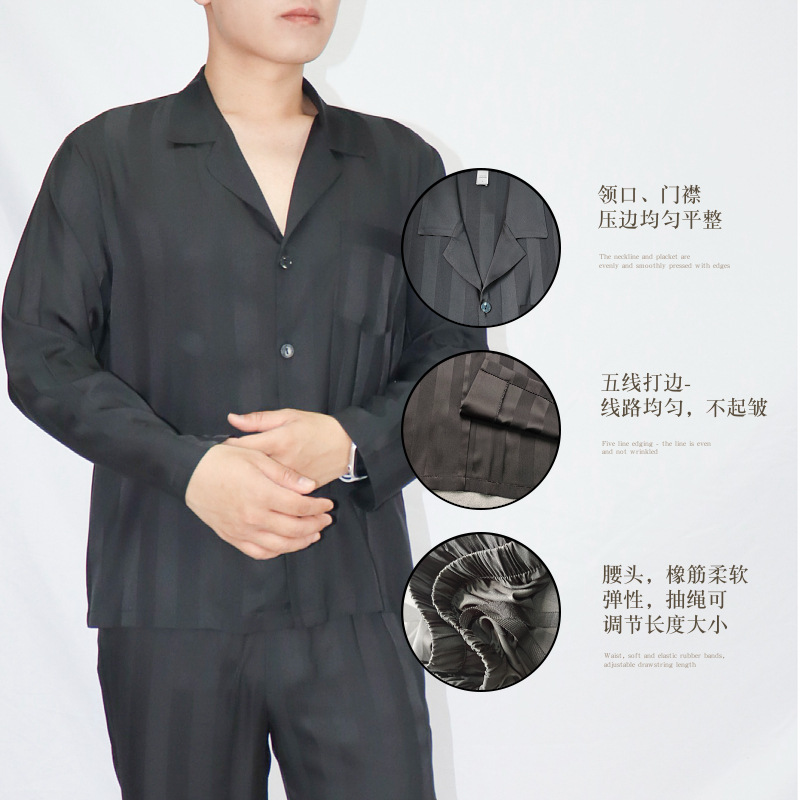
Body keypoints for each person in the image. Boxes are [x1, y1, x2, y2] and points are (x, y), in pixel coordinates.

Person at [2, 1, 485, 798]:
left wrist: (353, 442)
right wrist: (189, 470)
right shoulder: (108, 159)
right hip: (169, 600)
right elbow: (40, 354)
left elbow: (459, 365)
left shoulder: (402, 166)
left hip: (355, 601)